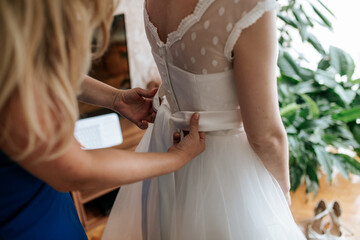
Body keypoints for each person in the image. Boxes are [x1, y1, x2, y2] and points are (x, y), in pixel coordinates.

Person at [102, 0, 307, 239]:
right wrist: (280, 195)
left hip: (169, 145)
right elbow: (265, 135)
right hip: (227, 169)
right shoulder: (248, 4)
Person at [0, 1, 205, 239]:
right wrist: (176, 158)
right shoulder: (11, 92)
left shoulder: (10, 48)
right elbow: (77, 170)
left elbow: (40, 73)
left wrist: (117, 98)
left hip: (45, 205)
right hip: (26, 225)